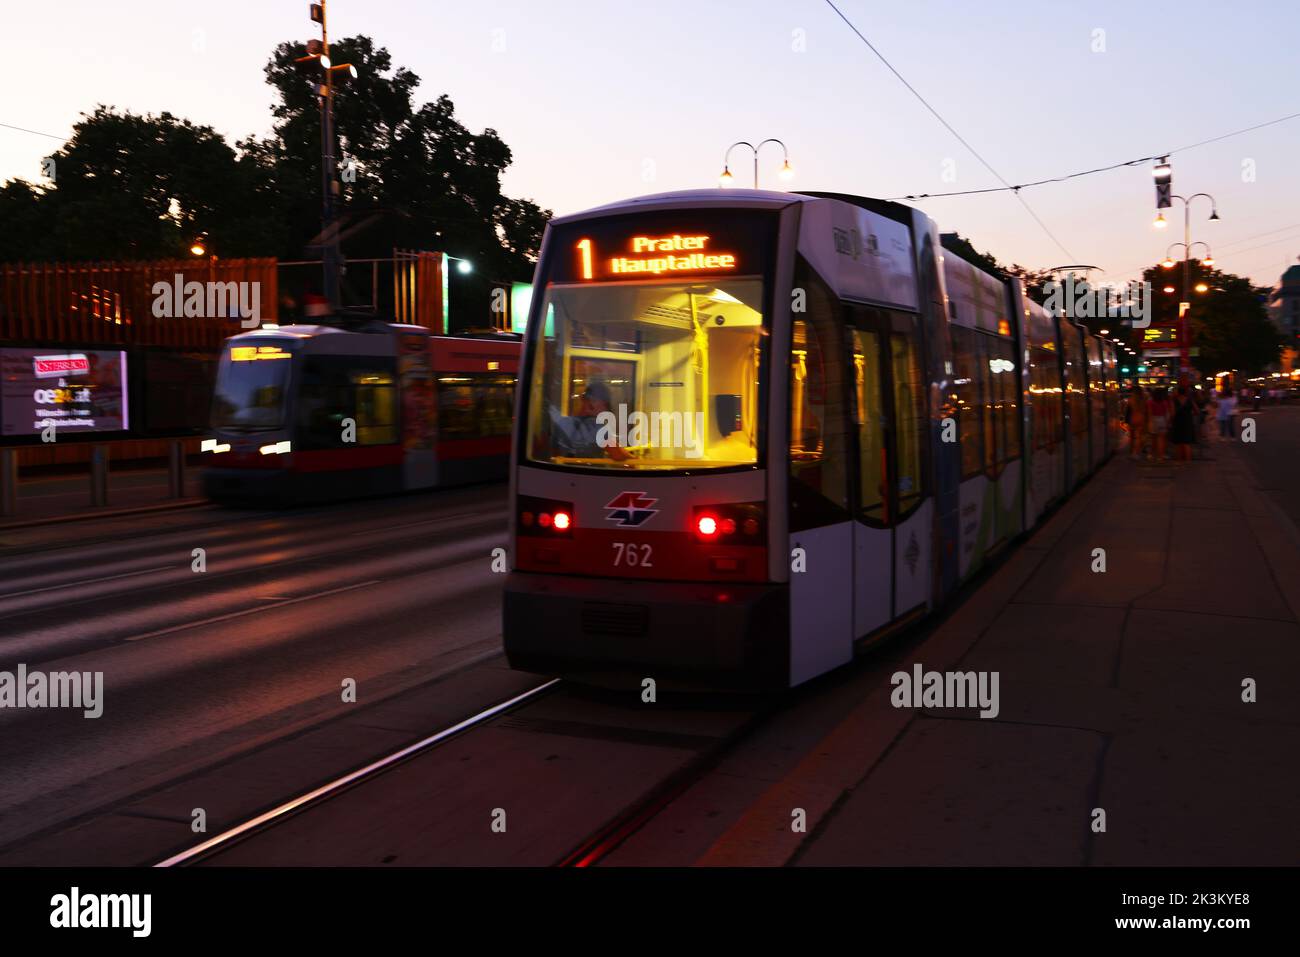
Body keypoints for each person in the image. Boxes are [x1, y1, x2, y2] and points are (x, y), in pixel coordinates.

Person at [544, 380, 628, 461]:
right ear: (595, 403)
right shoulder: (599, 428)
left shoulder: (563, 423)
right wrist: (635, 459)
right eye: (605, 405)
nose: (606, 410)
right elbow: (618, 455)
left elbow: (551, 451)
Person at [1170, 386, 1196, 463]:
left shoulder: (1174, 401)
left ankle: (1179, 460)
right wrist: (1189, 413)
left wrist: (1171, 421)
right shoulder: (1190, 400)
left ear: (1178, 392)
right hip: (1188, 422)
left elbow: (1173, 413)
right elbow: (1197, 411)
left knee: (1178, 442)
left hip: (1178, 422)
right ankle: (1188, 460)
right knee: (1187, 442)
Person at [1147, 386, 1171, 462]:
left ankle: (1151, 455)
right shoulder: (1164, 402)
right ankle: (1160, 456)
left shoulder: (1150, 401)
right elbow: (1166, 413)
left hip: (1153, 420)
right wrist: (1167, 423)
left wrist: (1150, 423)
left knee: (1153, 439)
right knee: (1161, 440)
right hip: (1162, 420)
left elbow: (1149, 413)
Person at [1126, 385, 1149, 460]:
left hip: (1132, 418)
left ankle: (1131, 452)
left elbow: (1127, 410)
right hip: (1141, 418)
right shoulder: (1144, 399)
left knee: (1132, 437)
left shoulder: (1130, 399)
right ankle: (1136, 453)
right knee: (1138, 437)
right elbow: (1146, 410)